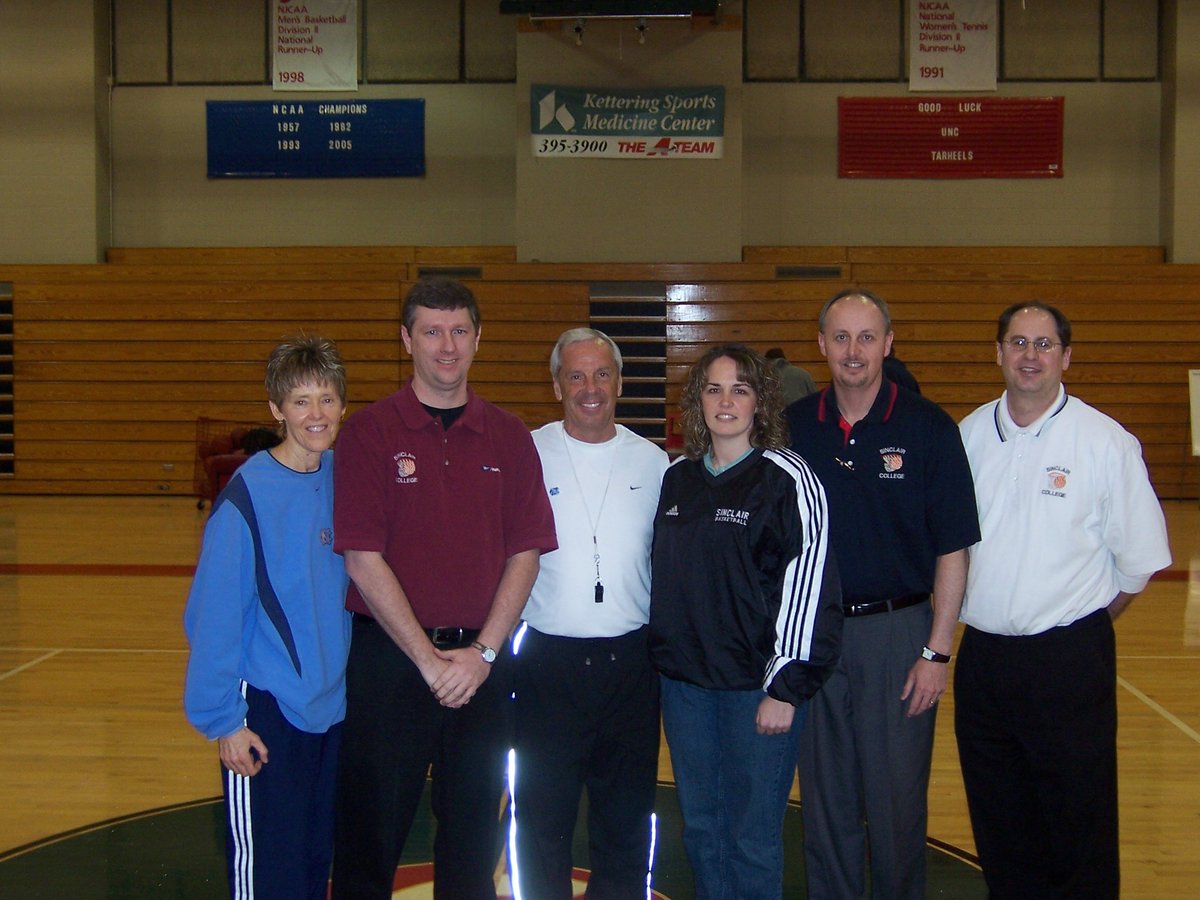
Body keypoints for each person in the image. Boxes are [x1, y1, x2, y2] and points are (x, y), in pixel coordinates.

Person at [329, 278, 558, 900]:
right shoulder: (370, 433)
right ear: (407, 340)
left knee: (472, 842)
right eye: (431, 331)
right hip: (390, 664)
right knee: (368, 839)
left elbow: (527, 551)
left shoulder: (510, 436)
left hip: (480, 669)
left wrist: (483, 653)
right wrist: (427, 660)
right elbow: (361, 558)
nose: (446, 346)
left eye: (459, 331)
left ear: (479, 339)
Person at [956, 301, 1171, 899]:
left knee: (1080, 825)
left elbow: (1137, 565)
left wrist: (1080, 633)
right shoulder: (967, 438)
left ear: (1066, 356)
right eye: (1018, 343)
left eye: (1043, 345)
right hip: (985, 662)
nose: (1030, 356)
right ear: (998, 352)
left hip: (1070, 661)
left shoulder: (1106, 443)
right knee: (1001, 825)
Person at [787, 288, 980, 900]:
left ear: (888, 344)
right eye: (840, 338)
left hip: (900, 637)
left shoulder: (928, 427)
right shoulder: (793, 428)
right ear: (821, 345)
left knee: (896, 808)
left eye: (866, 337)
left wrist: (936, 652)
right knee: (826, 804)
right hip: (817, 635)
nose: (853, 351)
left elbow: (954, 547)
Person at [649, 343, 842, 899]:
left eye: (740, 388)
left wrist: (786, 687)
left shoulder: (788, 478)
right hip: (685, 689)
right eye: (713, 388)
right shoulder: (678, 478)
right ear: (698, 401)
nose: (726, 401)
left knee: (752, 838)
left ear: (761, 401)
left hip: (756, 691)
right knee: (704, 832)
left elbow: (810, 587)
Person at [183, 334, 351, 900]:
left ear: (343, 406)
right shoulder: (246, 497)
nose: (315, 414)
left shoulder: (344, 480)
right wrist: (225, 721)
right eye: (300, 401)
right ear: (276, 409)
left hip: (330, 713)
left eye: (326, 399)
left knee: (310, 870)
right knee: (268, 881)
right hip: (266, 717)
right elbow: (211, 619)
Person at [510, 328, 670, 900]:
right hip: (546, 665)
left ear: (620, 382)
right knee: (540, 818)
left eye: (602, 374)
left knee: (626, 820)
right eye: (575, 376)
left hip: (631, 666)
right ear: (556, 385)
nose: (590, 387)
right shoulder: (525, 453)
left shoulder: (653, 463)